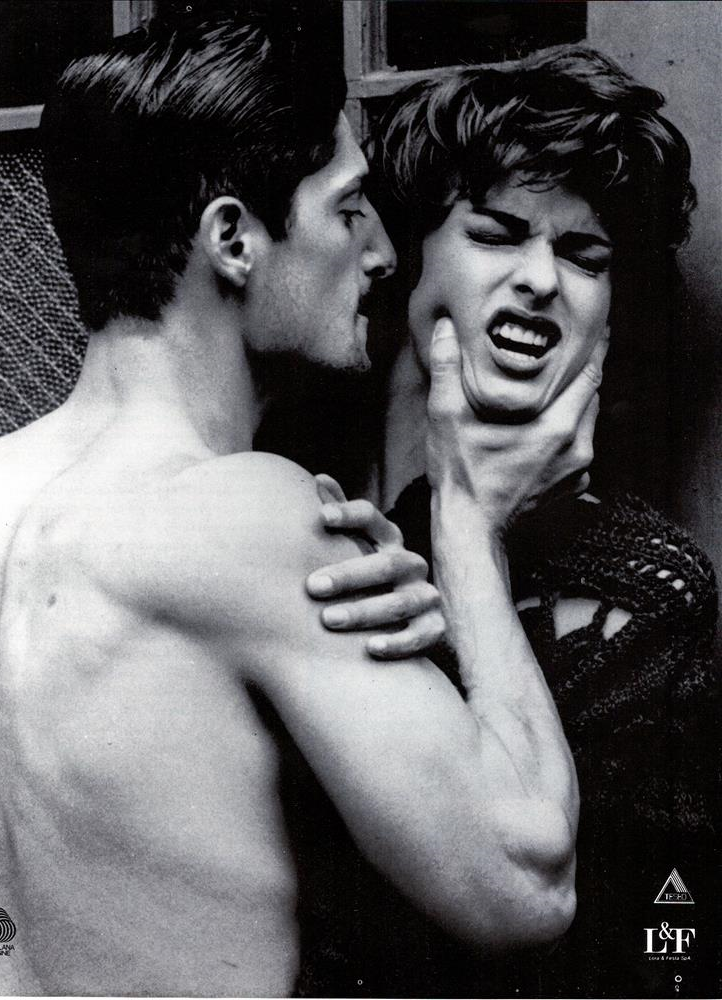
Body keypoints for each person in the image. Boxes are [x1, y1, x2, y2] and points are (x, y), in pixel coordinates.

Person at [0, 9, 601, 996]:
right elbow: (525, 885)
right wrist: (471, 524)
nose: (382, 253)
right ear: (233, 240)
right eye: (349, 209)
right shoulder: (247, 514)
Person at [301, 44, 717, 997]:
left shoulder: (651, 592)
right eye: (497, 233)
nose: (541, 279)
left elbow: (664, 945)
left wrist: (469, 532)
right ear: (404, 260)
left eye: (584, 257)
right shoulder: (301, 509)